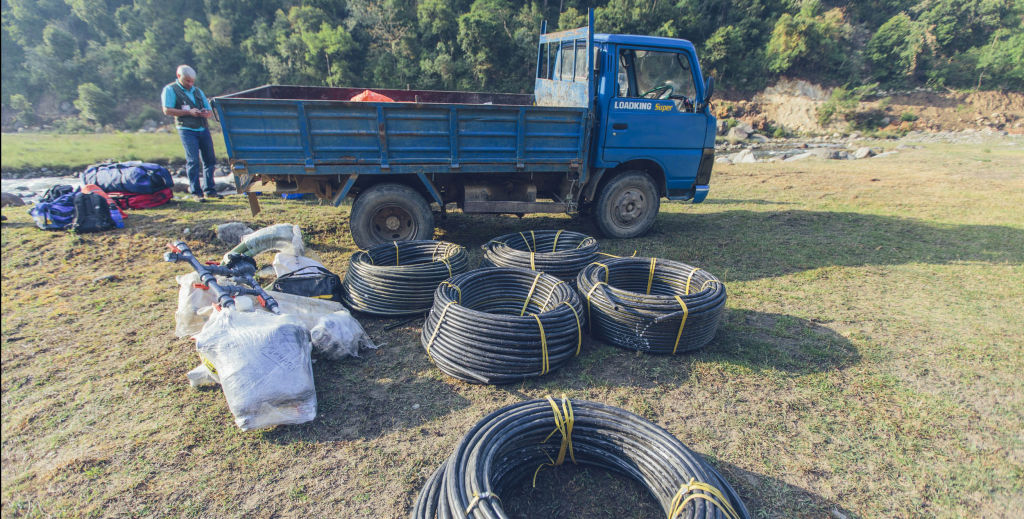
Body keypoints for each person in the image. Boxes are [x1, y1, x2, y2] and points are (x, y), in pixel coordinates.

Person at [162, 65, 222, 201]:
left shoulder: (197, 91)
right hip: (186, 129)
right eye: (187, 81)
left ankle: (210, 189)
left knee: (210, 159)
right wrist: (188, 112)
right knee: (193, 160)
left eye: (192, 81)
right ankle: (196, 192)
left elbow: (209, 110)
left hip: (202, 128)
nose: (190, 84)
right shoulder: (171, 90)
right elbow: (167, 110)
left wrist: (206, 113)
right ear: (179, 77)